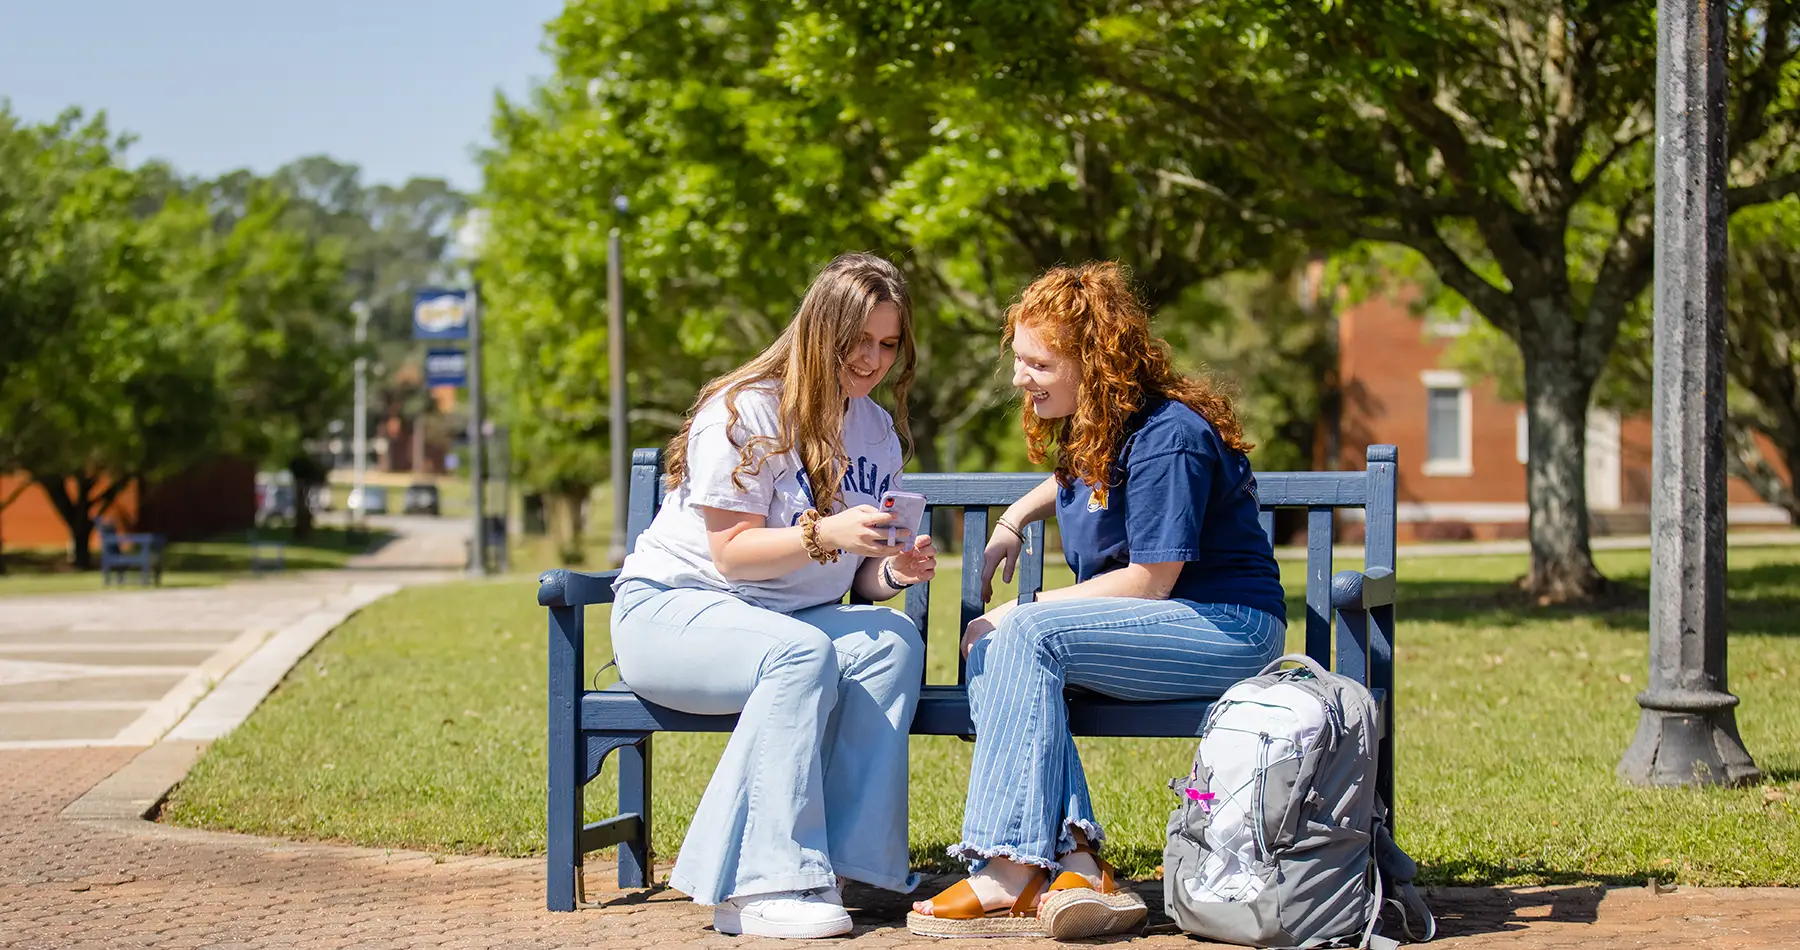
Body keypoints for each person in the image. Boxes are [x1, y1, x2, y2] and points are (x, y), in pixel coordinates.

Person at [908, 262, 1288, 940]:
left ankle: (1007, 867)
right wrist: (1011, 519)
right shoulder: (1099, 428)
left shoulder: (1169, 436)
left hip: (1226, 630)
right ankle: (1077, 862)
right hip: (1167, 629)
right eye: (1019, 359)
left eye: (1039, 363)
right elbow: (1069, 482)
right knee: (1000, 644)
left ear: (1095, 359)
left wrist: (1026, 611)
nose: (1019, 377)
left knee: (1017, 637)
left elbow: (1151, 580)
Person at [612, 253, 937, 939]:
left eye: (888, 345)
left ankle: (845, 868)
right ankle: (760, 883)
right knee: (798, 654)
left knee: (891, 643)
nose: (873, 360)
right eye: (861, 342)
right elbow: (732, 554)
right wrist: (828, 531)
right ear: (822, 330)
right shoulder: (745, 409)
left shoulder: (875, 428)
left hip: (789, 622)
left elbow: (855, 579)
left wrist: (895, 571)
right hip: (674, 612)